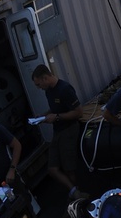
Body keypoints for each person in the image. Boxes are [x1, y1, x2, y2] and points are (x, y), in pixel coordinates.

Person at [31, 64, 88, 200]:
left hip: (68, 129)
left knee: (69, 168)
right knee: (52, 168)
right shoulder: (48, 91)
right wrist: (43, 117)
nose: (39, 88)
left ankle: (77, 197)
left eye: (39, 84)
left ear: (45, 78)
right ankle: (75, 193)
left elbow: (78, 112)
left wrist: (57, 117)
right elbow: (55, 108)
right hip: (58, 130)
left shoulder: (64, 89)